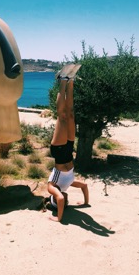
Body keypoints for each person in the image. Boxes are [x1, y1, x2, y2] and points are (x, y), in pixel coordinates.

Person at [47, 64, 90, 222]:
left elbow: (59, 199)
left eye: (63, 203)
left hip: (58, 151)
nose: (65, 200)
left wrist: (58, 219)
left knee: (62, 117)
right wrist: (85, 203)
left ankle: (62, 81)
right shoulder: (70, 184)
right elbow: (84, 186)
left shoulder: (52, 188)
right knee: (71, 114)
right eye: (67, 202)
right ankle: (71, 81)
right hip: (69, 149)